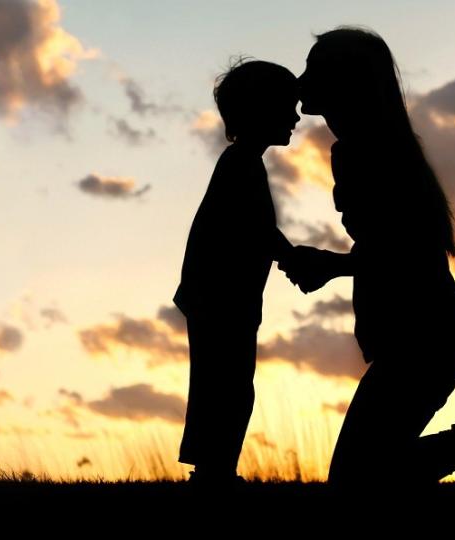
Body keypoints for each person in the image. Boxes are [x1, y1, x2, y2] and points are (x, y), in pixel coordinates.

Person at [280, 27, 455, 490]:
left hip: (422, 338)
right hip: (419, 336)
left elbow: (402, 250)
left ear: (345, 80)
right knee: (369, 473)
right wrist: (336, 264)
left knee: (357, 480)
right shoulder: (368, 146)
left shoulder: (368, 151)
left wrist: (332, 264)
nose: (302, 80)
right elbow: (392, 246)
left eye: (314, 69)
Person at [173, 59, 299, 487]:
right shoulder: (241, 163)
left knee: (225, 384)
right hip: (220, 296)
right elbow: (257, 229)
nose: (296, 116)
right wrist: (295, 257)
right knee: (225, 386)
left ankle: (213, 469)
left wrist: (289, 255)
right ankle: (213, 472)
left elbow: (258, 231)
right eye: (288, 107)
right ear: (261, 110)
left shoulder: (243, 161)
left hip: (224, 295)